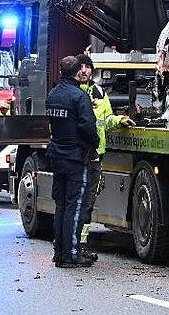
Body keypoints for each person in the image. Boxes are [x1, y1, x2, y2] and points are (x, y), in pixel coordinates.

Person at [69, 53, 136, 262]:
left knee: (88, 203)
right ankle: (71, 244)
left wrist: (118, 120)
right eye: (80, 67)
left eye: (87, 67)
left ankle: (80, 243)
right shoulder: (71, 92)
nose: (84, 71)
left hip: (96, 156)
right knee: (76, 202)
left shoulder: (99, 92)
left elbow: (104, 120)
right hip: (77, 156)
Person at [46, 55, 99, 268]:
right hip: (76, 158)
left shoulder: (53, 95)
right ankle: (71, 253)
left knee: (60, 206)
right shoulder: (79, 96)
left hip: (57, 156)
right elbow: (87, 127)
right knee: (75, 207)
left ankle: (59, 252)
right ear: (77, 72)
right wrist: (94, 144)